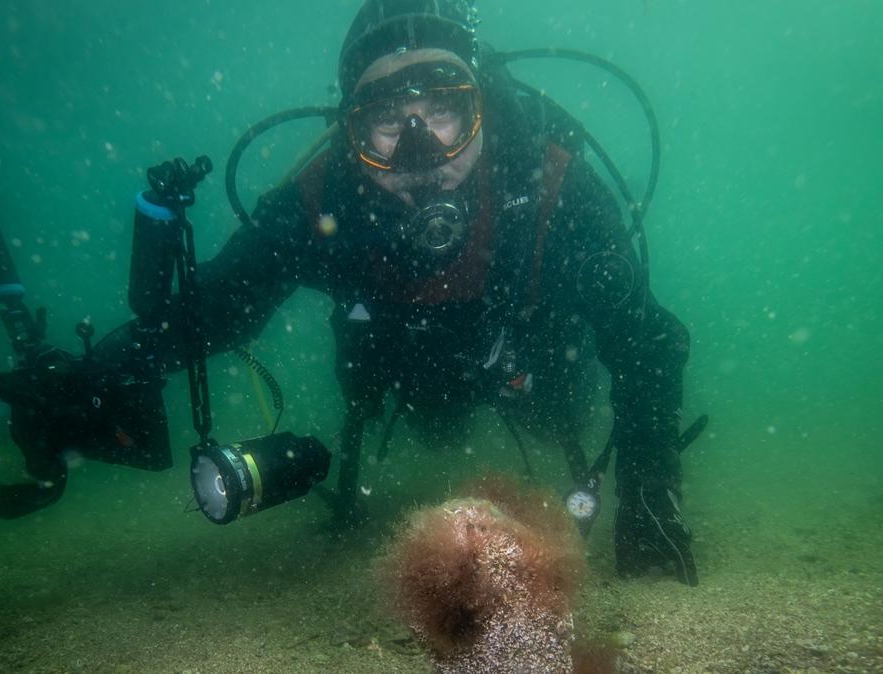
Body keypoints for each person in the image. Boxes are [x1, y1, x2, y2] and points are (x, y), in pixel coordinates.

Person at [104, 0, 698, 585]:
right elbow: (216, 309)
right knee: (436, 428)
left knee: (559, 410)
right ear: (351, 131)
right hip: (404, 377)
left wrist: (652, 494)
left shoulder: (552, 184)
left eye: (443, 109)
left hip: (534, 367)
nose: (420, 151)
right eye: (386, 119)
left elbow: (646, 340)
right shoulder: (322, 197)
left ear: (481, 108)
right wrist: (97, 377)